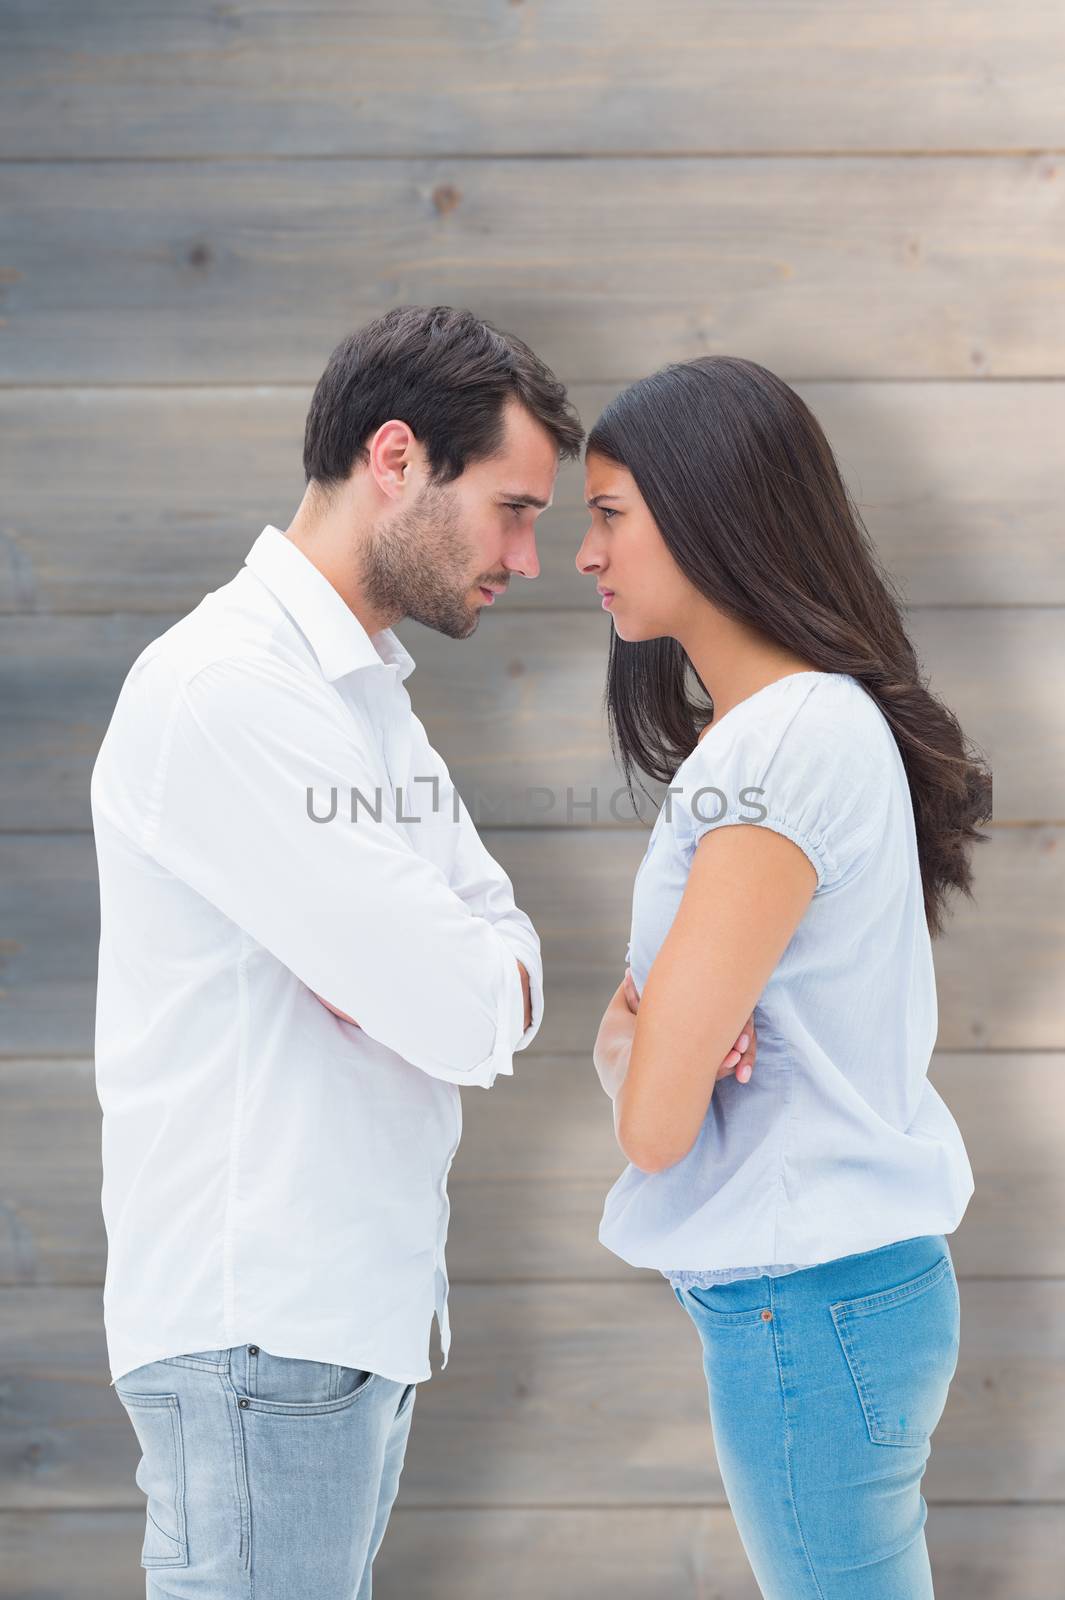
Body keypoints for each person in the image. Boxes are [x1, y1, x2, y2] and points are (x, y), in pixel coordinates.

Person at [90, 305, 583, 1597]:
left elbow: (501, 962)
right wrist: (449, 974)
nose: (530, 559)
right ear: (398, 458)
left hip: (339, 1335)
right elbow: (455, 997)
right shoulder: (230, 693)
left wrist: (452, 971)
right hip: (264, 1338)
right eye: (515, 508)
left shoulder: (361, 696)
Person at [579, 355, 990, 1599]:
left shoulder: (785, 741)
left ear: (708, 510)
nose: (585, 555)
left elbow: (656, 1120)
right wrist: (650, 1041)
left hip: (808, 1305)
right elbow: (668, 1066)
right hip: (830, 1299)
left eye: (607, 514)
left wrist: (626, 1046)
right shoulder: (786, 732)